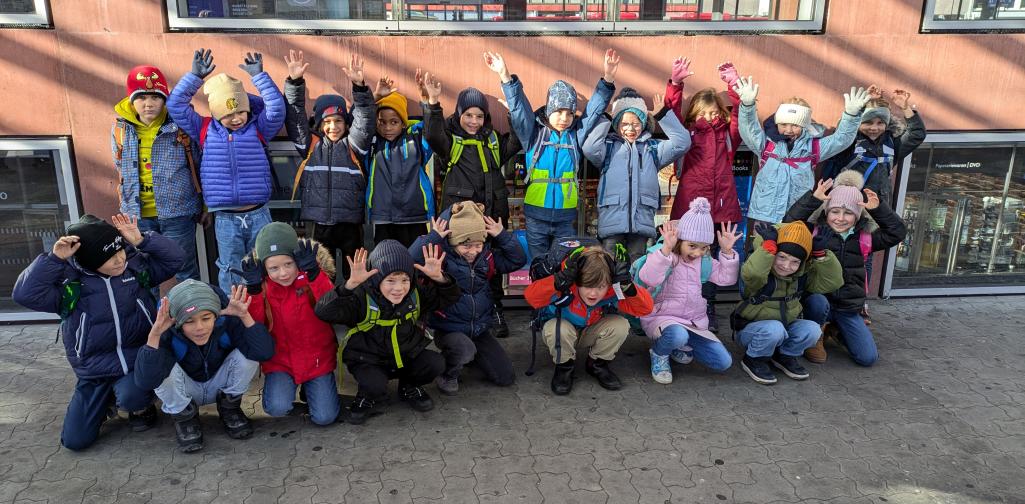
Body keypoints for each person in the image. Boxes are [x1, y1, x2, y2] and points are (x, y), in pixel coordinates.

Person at [12, 214, 185, 450]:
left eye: (120, 251)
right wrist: (54, 260)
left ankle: (138, 406)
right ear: (89, 260)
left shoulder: (134, 269)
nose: (119, 260)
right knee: (75, 441)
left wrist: (142, 240)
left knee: (133, 395)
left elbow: (176, 259)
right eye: (109, 257)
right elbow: (24, 294)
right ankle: (106, 401)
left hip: (136, 360)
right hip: (94, 369)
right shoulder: (69, 285)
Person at [166, 48, 286, 293]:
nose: (236, 118)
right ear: (215, 113)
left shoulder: (257, 129)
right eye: (227, 113)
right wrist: (194, 77)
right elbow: (175, 105)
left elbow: (276, 109)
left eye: (240, 111)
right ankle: (235, 315)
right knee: (231, 267)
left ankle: (264, 312)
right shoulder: (204, 129)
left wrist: (258, 79)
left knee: (264, 264)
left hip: (258, 214)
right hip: (226, 218)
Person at [484, 49, 619, 258]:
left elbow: (592, 111)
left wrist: (608, 79)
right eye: (558, 111)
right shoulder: (533, 133)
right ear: (548, 110)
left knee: (563, 268)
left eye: (569, 113)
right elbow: (520, 109)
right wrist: (505, 75)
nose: (564, 118)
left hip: (566, 219)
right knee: (538, 267)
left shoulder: (576, 135)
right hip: (535, 216)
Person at [420, 71, 523, 337]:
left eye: (479, 116)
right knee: (457, 265)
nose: (474, 121)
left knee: (492, 264)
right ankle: (454, 312)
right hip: (461, 222)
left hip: (491, 217)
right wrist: (432, 103)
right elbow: (432, 135)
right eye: (468, 115)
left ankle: (494, 309)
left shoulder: (493, 142)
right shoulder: (449, 140)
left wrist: (514, 111)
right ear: (459, 115)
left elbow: (519, 139)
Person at [314, 242, 461, 425]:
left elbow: (450, 297)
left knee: (436, 363)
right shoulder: (361, 296)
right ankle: (367, 394)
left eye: (405, 280)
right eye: (390, 280)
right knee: (374, 384)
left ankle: (409, 386)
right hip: (368, 359)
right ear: (377, 279)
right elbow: (323, 312)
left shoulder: (415, 294)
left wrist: (440, 279)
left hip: (405, 355)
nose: (398, 288)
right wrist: (349, 286)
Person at [135, 282, 275, 453]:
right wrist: (155, 334)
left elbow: (264, 353)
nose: (199, 328)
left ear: (216, 316)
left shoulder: (227, 323)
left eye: (206, 318)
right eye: (189, 321)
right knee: (160, 367)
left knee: (249, 357)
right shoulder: (166, 332)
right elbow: (146, 381)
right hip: (187, 390)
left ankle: (229, 408)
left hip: (219, 385)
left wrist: (245, 316)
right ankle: (184, 418)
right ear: (178, 322)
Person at [785, 173, 907, 366]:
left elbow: (897, 232)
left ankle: (836, 329)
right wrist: (813, 199)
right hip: (818, 303)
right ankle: (816, 332)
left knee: (867, 358)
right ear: (826, 212)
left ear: (857, 216)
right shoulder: (814, 232)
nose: (840, 219)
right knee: (817, 301)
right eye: (835, 211)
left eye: (848, 213)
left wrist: (878, 209)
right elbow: (789, 222)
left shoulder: (865, 238)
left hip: (847, 307)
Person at [410, 202, 527, 395]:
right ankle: (448, 373)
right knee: (464, 349)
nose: (472, 251)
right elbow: (410, 259)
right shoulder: (442, 257)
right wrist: (434, 237)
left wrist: (503, 236)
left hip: (479, 329)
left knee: (505, 376)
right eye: (465, 245)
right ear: (453, 241)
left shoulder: (487, 257)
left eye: (478, 244)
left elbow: (517, 260)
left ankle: (470, 357)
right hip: (449, 329)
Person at [664, 58, 744, 332]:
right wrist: (675, 84)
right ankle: (681, 304)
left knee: (712, 259)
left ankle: (707, 304)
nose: (709, 119)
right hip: (689, 208)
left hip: (722, 207)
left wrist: (734, 85)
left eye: (713, 113)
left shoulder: (729, 134)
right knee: (685, 257)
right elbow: (669, 112)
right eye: (703, 113)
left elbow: (742, 113)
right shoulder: (687, 134)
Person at [282, 50, 375, 280]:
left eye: (338, 121)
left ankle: (355, 310)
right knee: (322, 273)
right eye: (327, 122)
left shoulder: (354, 145)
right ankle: (325, 310)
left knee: (355, 271)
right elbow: (294, 116)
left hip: (350, 224)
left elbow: (364, 118)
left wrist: (360, 88)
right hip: (318, 223)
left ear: (346, 122)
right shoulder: (310, 144)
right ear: (319, 123)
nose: (333, 127)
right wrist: (295, 83)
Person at [733, 76, 869, 234]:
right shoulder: (767, 145)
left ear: (804, 126)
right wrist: (748, 106)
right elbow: (748, 129)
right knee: (762, 255)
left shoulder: (813, 147)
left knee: (791, 256)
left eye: (795, 125)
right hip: (765, 215)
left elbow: (841, 140)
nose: (789, 130)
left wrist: (851, 116)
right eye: (784, 124)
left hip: (797, 216)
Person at [241, 223, 340, 426]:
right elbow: (256, 325)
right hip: (281, 362)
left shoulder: (312, 277)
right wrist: (253, 291)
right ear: (264, 268)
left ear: (297, 259)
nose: (283, 273)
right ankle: (293, 389)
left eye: (288, 264)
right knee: (276, 407)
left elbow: (332, 306)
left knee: (325, 417)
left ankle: (311, 389)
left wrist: (314, 274)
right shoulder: (262, 287)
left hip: (317, 360)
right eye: (274, 268)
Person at [112, 64, 202, 285]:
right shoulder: (121, 129)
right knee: (142, 271)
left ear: (165, 99)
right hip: (137, 216)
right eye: (141, 97)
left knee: (184, 268)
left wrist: (204, 206)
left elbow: (199, 167)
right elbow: (119, 165)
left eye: (155, 97)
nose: (148, 103)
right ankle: (149, 318)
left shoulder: (179, 126)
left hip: (177, 213)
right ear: (132, 100)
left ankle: (192, 316)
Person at [582, 81, 691, 263]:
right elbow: (589, 148)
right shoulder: (608, 148)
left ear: (644, 123)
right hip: (612, 221)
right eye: (624, 123)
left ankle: (634, 293)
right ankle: (611, 293)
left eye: (636, 123)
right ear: (616, 123)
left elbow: (683, 142)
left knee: (636, 265)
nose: (630, 129)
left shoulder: (652, 149)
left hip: (641, 222)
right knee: (610, 265)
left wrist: (663, 115)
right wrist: (605, 119)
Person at [636, 198, 740, 384]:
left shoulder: (704, 262)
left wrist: (727, 252)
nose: (697, 253)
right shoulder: (665, 255)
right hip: (663, 318)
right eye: (692, 246)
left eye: (703, 247)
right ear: (680, 240)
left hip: (693, 322)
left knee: (723, 362)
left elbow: (726, 279)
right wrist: (666, 250)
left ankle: (678, 344)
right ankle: (659, 353)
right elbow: (648, 278)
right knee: (677, 334)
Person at [524, 247, 654, 395]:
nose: (593, 293)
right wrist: (557, 281)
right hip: (564, 332)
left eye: (600, 287)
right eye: (587, 285)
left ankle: (597, 364)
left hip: (590, 330)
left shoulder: (613, 287)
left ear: (609, 282)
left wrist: (629, 288)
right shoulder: (566, 283)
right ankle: (564, 367)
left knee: (620, 324)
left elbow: (645, 309)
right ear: (578, 280)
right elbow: (531, 297)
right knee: (556, 328)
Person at [733, 221, 843, 385]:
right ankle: (753, 359)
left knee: (812, 329)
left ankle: (784, 355)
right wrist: (767, 248)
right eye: (781, 257)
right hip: (750, 331)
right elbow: (752, 274)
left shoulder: (800, 276)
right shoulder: (762, 273)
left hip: (783, 329)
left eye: (795, 262)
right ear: (774, 253)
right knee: (774, 329)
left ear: (802, 263)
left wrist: (821, 255)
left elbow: (832, 283)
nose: (786, 266)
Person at [365, 78, 435, 247]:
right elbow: (359, 120)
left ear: (403, 123)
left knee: (416, 263)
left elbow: (433, 130)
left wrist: (427, 102)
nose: (387, 128)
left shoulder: (416, 139)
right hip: (383, 217)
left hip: (414, 216)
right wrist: (374, 98)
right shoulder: (373, 141)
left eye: (394, 122)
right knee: (386, 264)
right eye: (382, 122)